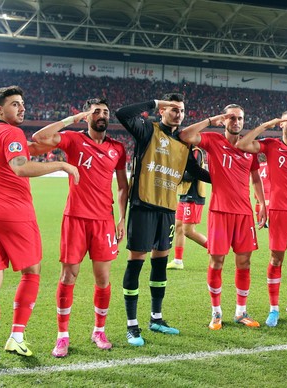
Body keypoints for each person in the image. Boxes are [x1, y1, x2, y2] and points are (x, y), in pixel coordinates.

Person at [0, 85, 79, 372]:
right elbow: (20, 165)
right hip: (13, 215)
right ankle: (16, 335)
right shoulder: (11, 132)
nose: (21, 108)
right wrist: (62, 165)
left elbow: (33, 145)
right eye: (15, 104)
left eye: (22, 104)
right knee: (32, 272)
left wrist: (71, 120)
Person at [31, 98, 128, 358]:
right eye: (96, 111)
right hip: (74, 218)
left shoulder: (117, 148)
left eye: (105, 112)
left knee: (103, 279)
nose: (101, 115)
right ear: (87, 116)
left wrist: (121, 219)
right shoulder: (73, 140)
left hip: (104, 221)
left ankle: (99, 330)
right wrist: (70, 120)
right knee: (68, 277)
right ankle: (62, 336)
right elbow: (39, 136)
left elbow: (122, 186)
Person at [116, 93, 210, 346]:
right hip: (143, 205)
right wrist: (155, 103)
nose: (177, 113)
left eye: (181, 110)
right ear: (162, 112)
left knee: (160, 263)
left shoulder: (183, 142)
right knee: (136, 263)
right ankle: (132, 325)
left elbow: (194, 170)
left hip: (168, 208)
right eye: (173, 109)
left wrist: (224, 177)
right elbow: (123, 114)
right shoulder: (147, 129)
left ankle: (156, 318)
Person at [179, 104, 266, 330]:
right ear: (225, 121)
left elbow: (256, 179)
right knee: (217, 261)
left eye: (240, 118)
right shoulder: (213, 141)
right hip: (219, 212)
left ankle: (241, 312)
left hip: (244, 213)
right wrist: (211, 119)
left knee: (244, 262)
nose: (236, 122)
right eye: (232, 118)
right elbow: (185, 135)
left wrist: (262, 204)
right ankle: (216, 313)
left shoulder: (250, 147)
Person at [236, 110, 287, 327]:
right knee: (276, 259)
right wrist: (269, 123)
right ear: (282, 125)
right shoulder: (271, 145)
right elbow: (243, 144)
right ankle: (273, 309)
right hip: (279, 212)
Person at [167, 146, 208, 270]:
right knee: (178, 227)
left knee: (188, 231)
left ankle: (216, 251)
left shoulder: (195, 151)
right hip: (184, 194)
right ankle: (178, 261)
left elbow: (192, 174)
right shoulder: (183, 151)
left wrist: (174, 175)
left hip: (193, 195)